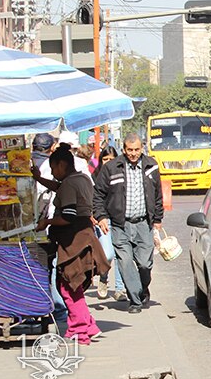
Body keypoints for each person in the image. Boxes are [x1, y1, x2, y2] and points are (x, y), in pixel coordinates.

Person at [35, 144, 110, 345]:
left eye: (53, 169)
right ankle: (88, 325)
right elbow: (59, 187)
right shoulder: (82, 178)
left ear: (61, 164)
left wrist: (46, 222)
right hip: (84, 236)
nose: (52, 173)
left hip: (74, 241)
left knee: (68, 285)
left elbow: (68, 216)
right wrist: (38, 178)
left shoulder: (69, 184)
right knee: (71, 285)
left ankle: (80, 330)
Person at [93, 132, 164, 314]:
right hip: (120, 224)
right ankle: (135, 300)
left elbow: (157, 195)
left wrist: (157, 219)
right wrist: (101, 217)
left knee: (144, 264)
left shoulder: (151, 166)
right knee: (124, 261)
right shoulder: (111, 168)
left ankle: (141, 287)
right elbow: (98, 194)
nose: (133, 153)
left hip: (143, 224)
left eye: (136, 150)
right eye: (129, 150)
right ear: (124, 149)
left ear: (142, 149)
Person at [92, 146, 126, 300]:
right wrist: (96, 216)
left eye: (111, 159)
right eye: (105, 159)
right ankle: (104, 277)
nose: (108, 162)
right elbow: (93, 198)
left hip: (120, 219)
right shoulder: (95, 176)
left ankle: (120, 289)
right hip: (103, 220)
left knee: (120, 254)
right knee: (108, 253)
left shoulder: (122, 174)